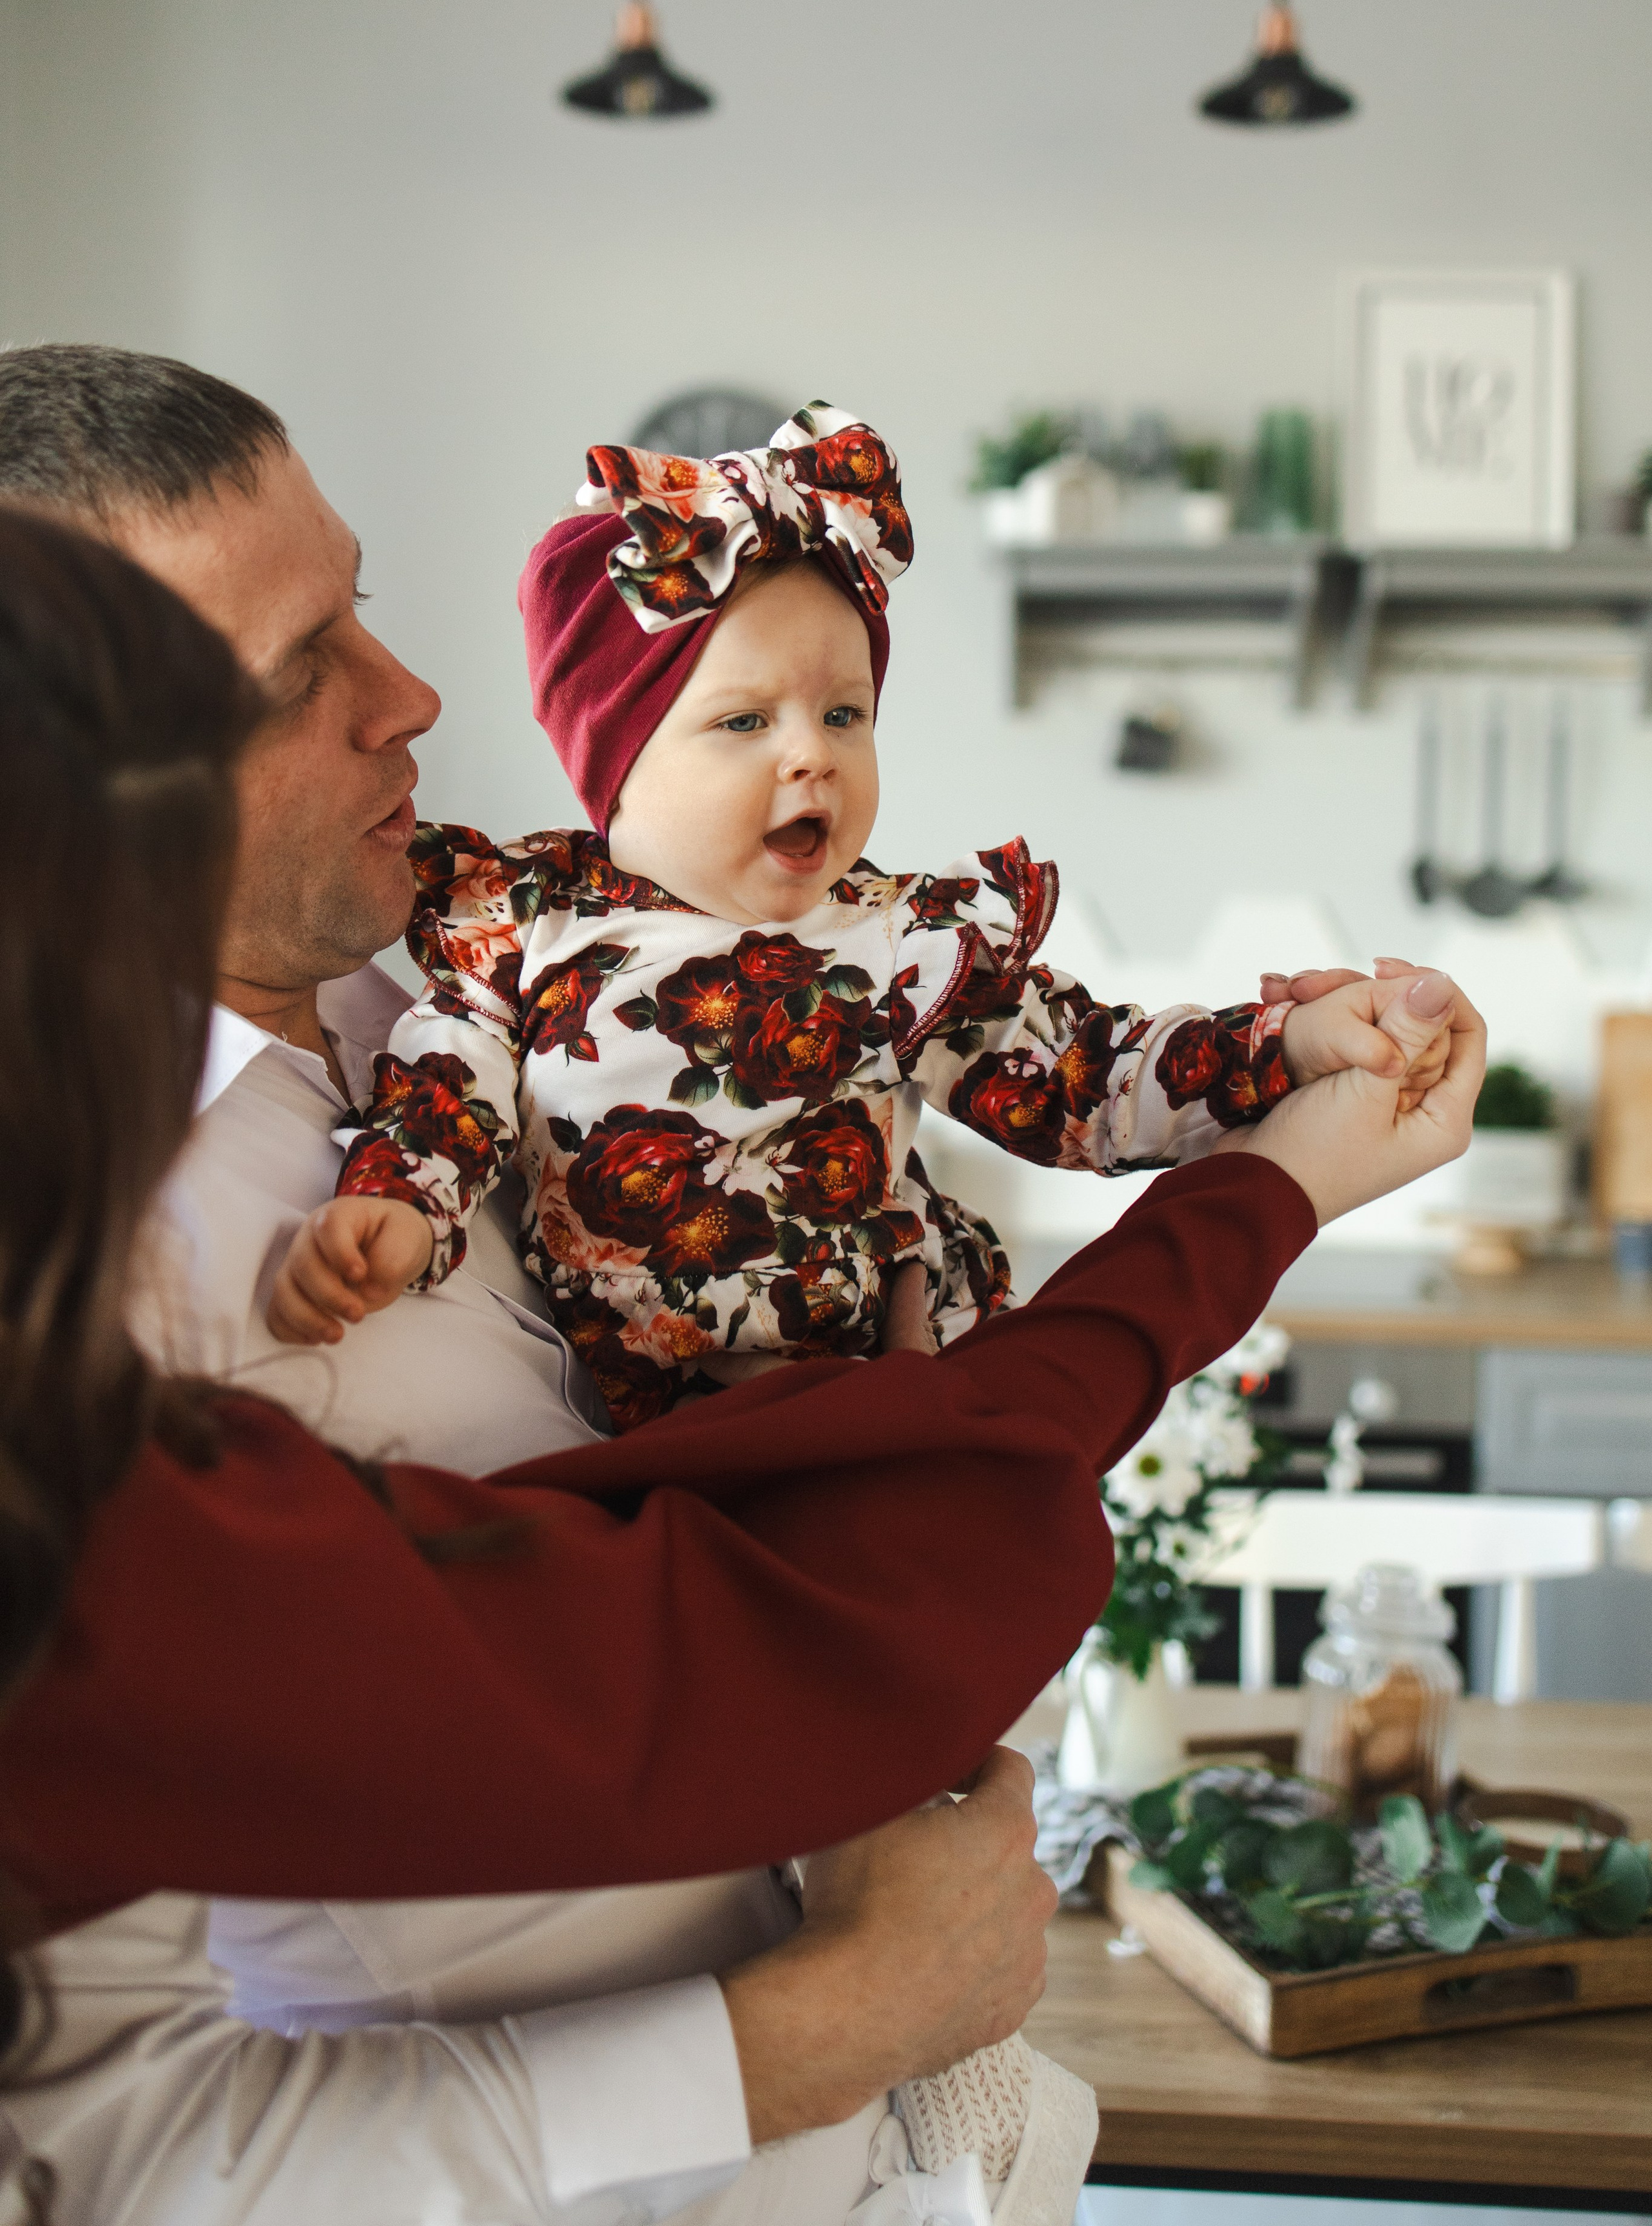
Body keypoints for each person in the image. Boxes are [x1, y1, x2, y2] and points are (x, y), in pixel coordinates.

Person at [0, 350, 1484, 2226]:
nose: (417, 698)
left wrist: (1271, 1075)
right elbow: (110, 2158)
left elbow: (1037, 1104)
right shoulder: (78, 1306)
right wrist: (829, 2020)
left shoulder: (519, 999)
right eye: (300, 675)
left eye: (363, 604)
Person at [268, 405, 1447, 1425]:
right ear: (613, 768)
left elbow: (1091, 1077)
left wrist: (1289, 1045)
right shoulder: (526, 923)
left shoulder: (900, 946)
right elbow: (445, 1090)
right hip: (643, 1432)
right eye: (744, 724)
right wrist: (397, 1211)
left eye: (844, 714)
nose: (812, 759)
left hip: (882, 1396)